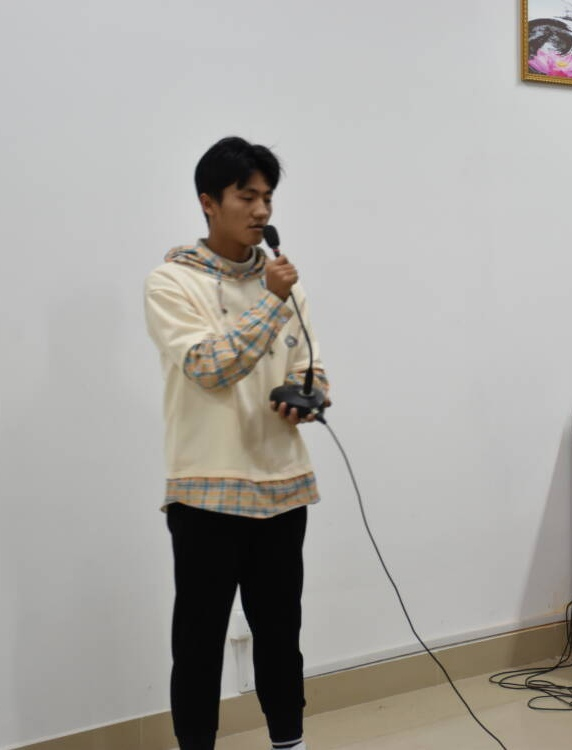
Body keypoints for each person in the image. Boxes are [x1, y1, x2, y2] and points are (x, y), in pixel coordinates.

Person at [144, 136, 329, 750]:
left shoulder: (285, 284)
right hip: (207, 492)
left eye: (267, 197)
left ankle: (289, 742)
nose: (261, 210)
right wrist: (271, 302)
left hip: (282, 486)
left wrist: (309, 395)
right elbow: (209, 367)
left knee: (282, 633)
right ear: (208, 202)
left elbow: (309, 365)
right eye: (246, 196)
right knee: (198, 641)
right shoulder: (171, 282)